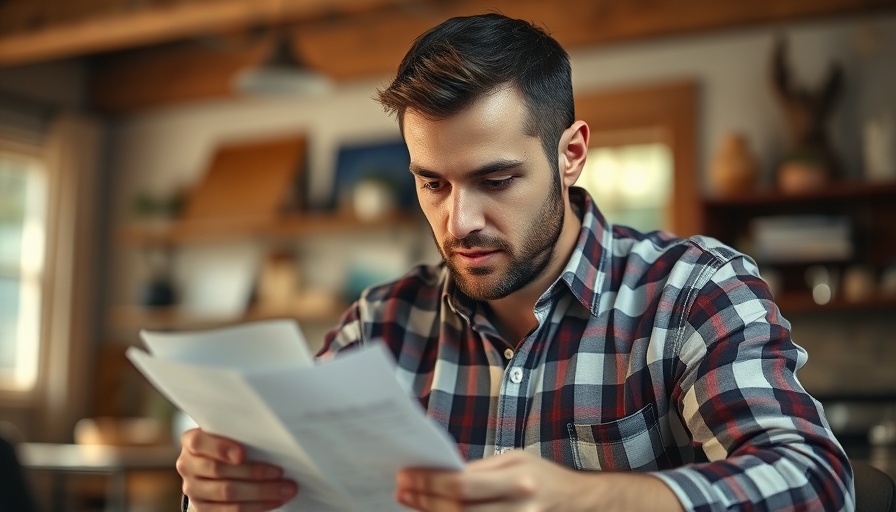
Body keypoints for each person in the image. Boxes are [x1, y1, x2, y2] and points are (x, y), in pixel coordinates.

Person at [175, 13, 854, 512]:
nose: (458, 221)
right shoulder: (379, 324)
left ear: (571, 153)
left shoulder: (691, 291)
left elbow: (816, 483)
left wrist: (588, 501)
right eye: (432, 183)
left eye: (495, 180)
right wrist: (224, 490)